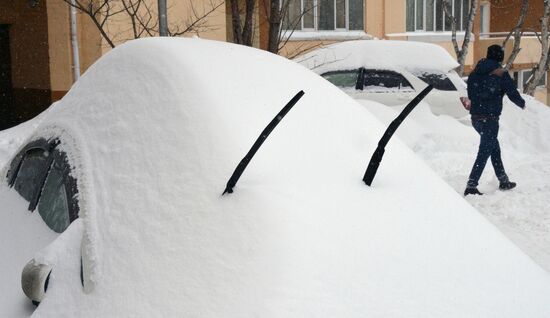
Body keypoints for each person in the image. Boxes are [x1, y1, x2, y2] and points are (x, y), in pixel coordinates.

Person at [464, 44, 525, 196]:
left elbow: (471, 93)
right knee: (485, 151)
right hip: (490, 119)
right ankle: (471, 185)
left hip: (476, 118)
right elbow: (511, 91)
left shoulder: (475, 72)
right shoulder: (500, 73)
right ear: (500, 57)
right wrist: (522, 103)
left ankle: (503, 180)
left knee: (493, 148)